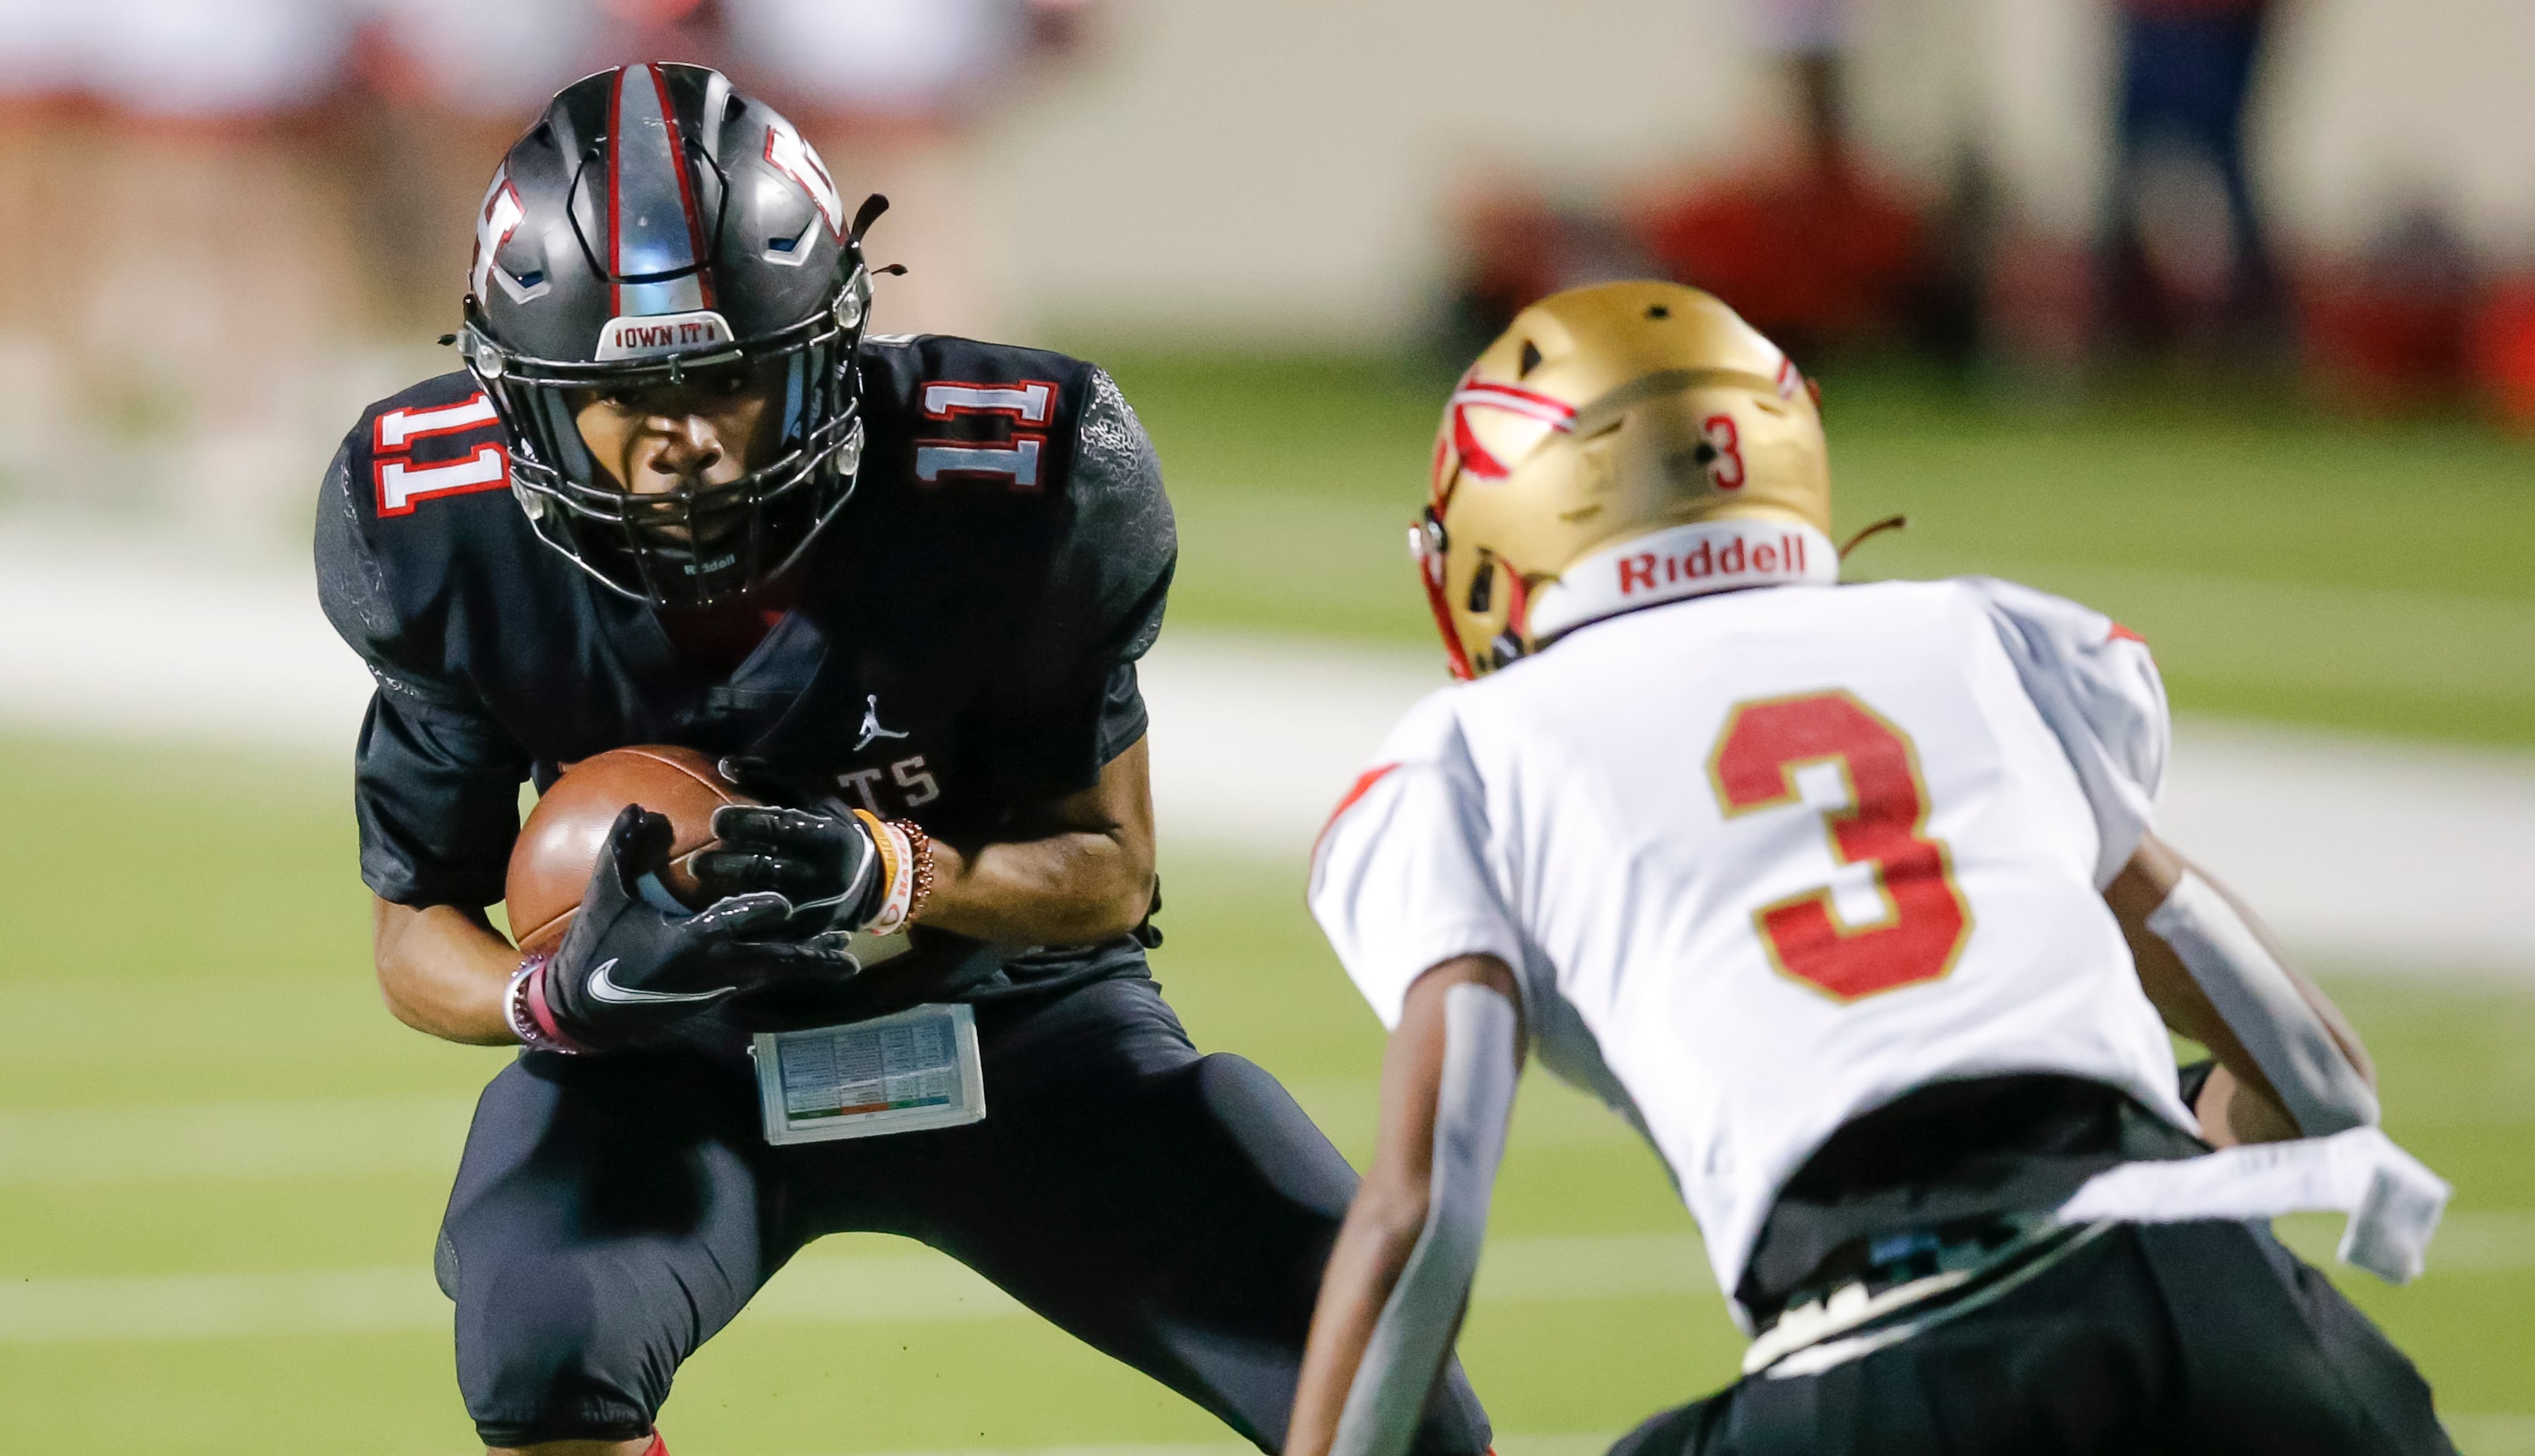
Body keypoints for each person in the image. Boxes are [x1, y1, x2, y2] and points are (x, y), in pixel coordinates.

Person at [315, 63, 1491, 1456]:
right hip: (674, 1053)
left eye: (730, 382)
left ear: (826, 350)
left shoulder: (1017, 482)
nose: (682, 446)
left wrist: (899, 872)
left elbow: (1109, 874)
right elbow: (413, 924)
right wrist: (555, 995)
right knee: (539, 1342)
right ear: (522, 400)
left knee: (1389, 1401)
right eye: (622, 403)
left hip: (1013, 1018)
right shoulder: (438, 531)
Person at [1286, 280, 2457, 1456]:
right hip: (2250, 1329)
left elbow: (1427, 1200)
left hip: (1889, 1362)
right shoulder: (1979, 637)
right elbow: (2320, 1086)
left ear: (1499, 533)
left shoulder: (1472, 754)